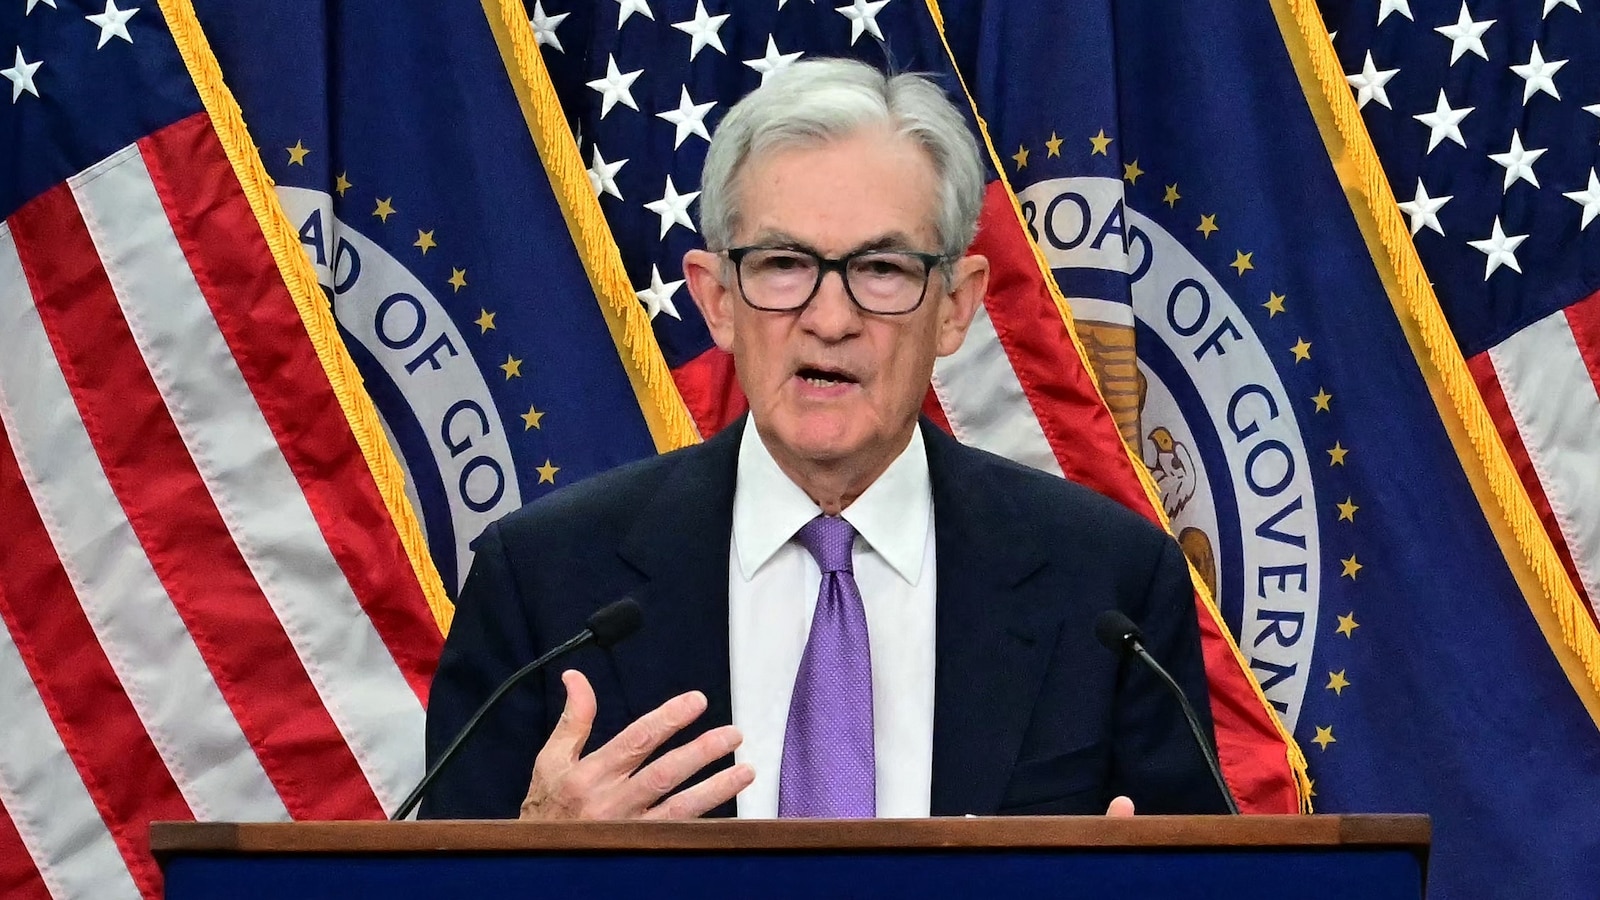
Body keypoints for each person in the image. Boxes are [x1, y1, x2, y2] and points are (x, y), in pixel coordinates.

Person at [421, 58, 1228, 820]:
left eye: (883, 268)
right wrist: (533, 851)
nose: (831, 319)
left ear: (956, 306)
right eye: (783, 264)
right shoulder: (546, 584)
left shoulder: (1109, 586)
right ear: (717, 299)